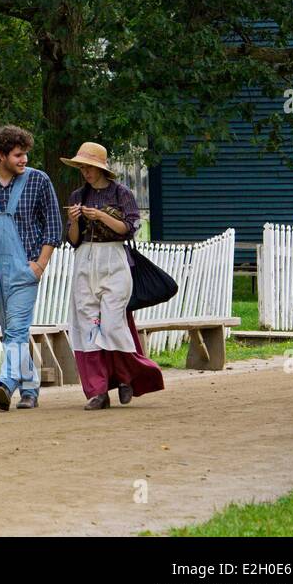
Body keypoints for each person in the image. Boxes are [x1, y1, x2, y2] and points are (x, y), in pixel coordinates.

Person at [0, 125, 63, 411]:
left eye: (26, 155)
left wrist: (40, 265)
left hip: (25, 268)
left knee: (17, 328)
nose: (24, 160)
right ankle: (29, 388)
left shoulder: (39, 181)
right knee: (10, 331)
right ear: (2, 155)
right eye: (18, 155)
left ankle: (6, 382)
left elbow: (54, 227)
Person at [62, 142, 164, 410]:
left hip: (114, 259)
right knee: (87, 325)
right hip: (85, 259)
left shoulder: (121, 193)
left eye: (90, 167)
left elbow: (129, 229)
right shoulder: (78, 195)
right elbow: (73, 240)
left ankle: (127, 377)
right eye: (82, 167)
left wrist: (101, 217)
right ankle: (97, 391)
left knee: (111, 323)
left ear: (101, 168)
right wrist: (75, 221)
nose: (86, 172)